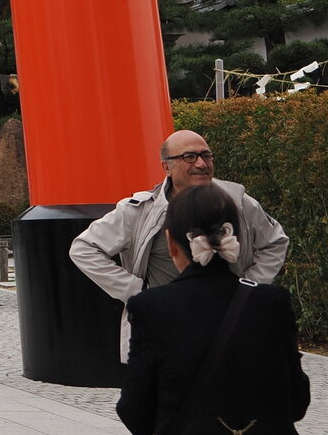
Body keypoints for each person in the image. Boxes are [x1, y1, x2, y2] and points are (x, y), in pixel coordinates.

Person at [115, 183, 311, 435]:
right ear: (235, 237)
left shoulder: (152, 307)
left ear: (172, 242)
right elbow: (297, 402)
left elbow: (137, 417)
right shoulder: (272, 302)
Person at [71, 128, 289, 354]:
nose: (201, 164)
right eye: (189, 157)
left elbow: (275, 242)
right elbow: (84, 248)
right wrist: (137, 290)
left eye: (206, 155)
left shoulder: (238, 201)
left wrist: (249, 286)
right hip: (166, 327)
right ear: (166, 167)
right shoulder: (138, 211)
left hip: (229, 323)